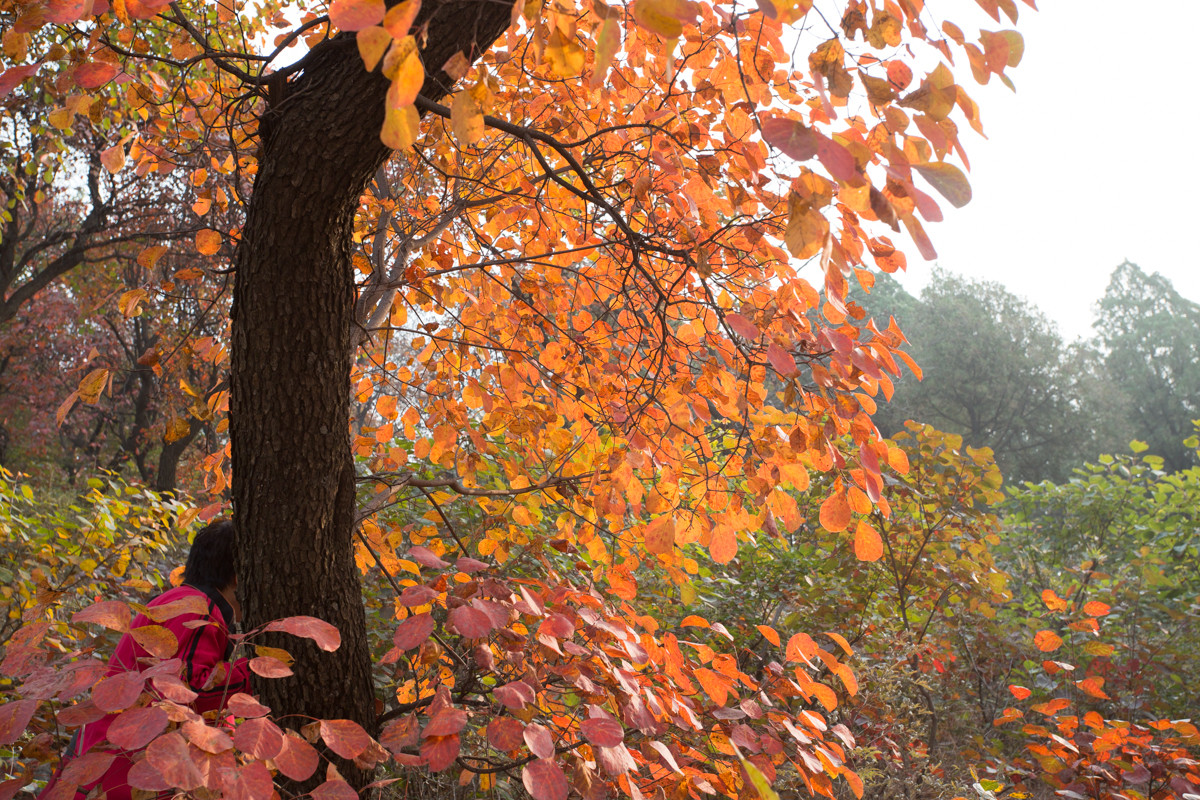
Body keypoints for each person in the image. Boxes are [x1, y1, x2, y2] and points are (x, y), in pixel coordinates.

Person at [42, 519, 251, 800]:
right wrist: (254, 672)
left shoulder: (172, 600)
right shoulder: (201, 611)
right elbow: (196, 692)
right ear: (239, 575)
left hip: (104, 747)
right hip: (129, 760)